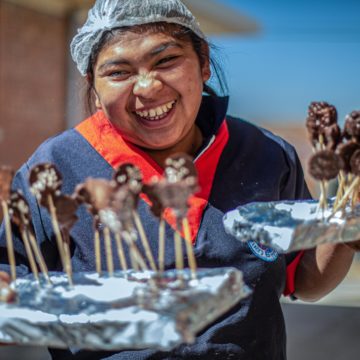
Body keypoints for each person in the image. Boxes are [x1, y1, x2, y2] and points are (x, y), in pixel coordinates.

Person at [0, 0, 358, 358]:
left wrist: (346, 228)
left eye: (166, 61)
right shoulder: (53, 169)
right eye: (118, 72)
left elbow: (305, 281)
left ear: (203, 61)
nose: (147, 87)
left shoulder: (267, 155)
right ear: (93, 87)